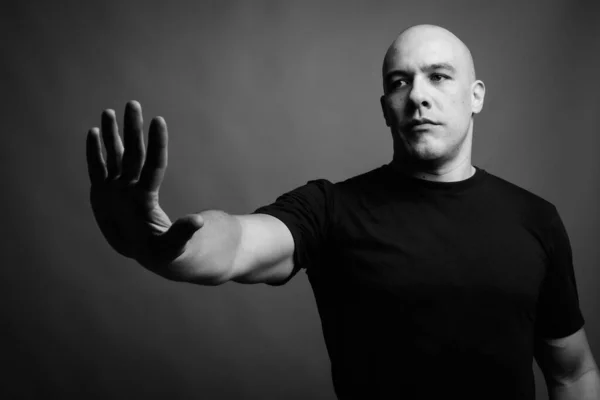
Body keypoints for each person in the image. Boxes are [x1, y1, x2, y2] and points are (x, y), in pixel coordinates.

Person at [86, 24, 599, 399]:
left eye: (439, 77)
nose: (417, 95)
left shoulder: (536, 219)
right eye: (400, 82)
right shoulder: (333, 209)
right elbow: (239, 244)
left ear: (476, 96)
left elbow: (572, 374)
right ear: (384, 108)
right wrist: (161, 247)